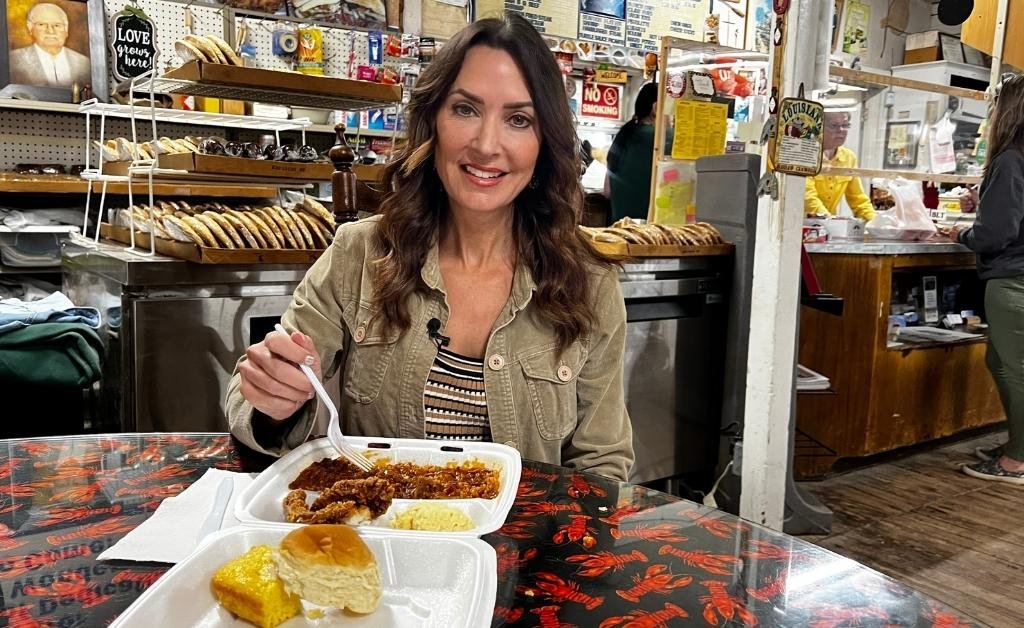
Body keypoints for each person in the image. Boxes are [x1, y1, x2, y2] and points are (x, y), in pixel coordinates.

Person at [224, 13, 634, 481]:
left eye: (519, 119)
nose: (486, 144)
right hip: (382, 545)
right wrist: (278, 398)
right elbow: (249, 403)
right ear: (433, 119)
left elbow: (601, 466)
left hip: (523, 550)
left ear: (545, 143)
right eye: (465, 109)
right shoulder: (359, 253)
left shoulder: (590, 283)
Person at [951, 73, 1024, 485]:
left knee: (1014, 369)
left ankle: (1018, 460)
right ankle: (1018, 445)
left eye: (995, 106)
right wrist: (985, 202)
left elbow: (996, 234)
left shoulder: (1010, 160)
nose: (990, 115)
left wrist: (959, 232)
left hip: (1013, 278)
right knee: (1003, 362)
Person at [804, 111, 877, 221]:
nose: (841, 130)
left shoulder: (849, 157)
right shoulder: (805, 154)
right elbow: (808, 198)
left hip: (827, 228)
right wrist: (831, 221)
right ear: (817, 127)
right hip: (799, 226)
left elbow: (859, 200)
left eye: (845, 125)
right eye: (834, 125)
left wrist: (874, 223)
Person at [604, 82, 657, 223]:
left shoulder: (625, 132)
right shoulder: (659, 137)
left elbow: (606, 191)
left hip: (618, 224)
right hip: (646, 228)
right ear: (656, 107)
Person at [8, 2, 91, 88]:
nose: (50, 31)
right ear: (30, 27)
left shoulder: (84, 63)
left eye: (57, 25)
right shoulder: (14, 61)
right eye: (42, 24)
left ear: (66, 29)